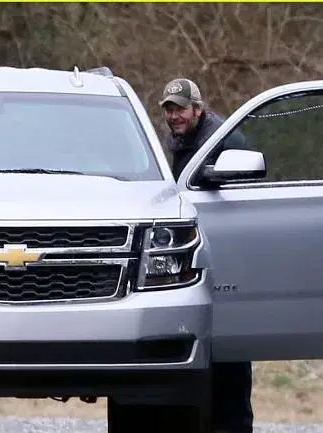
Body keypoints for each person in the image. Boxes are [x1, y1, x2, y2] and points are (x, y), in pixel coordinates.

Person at [159, 77, 254, 433]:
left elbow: (242, 192)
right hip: (197, 259)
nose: (174, 116)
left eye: (180, 108)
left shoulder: (225, 139)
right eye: (169, 109)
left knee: (230, 347)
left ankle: (234, 425)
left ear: (198, 108)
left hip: (229, 257)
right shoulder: (181, 141)